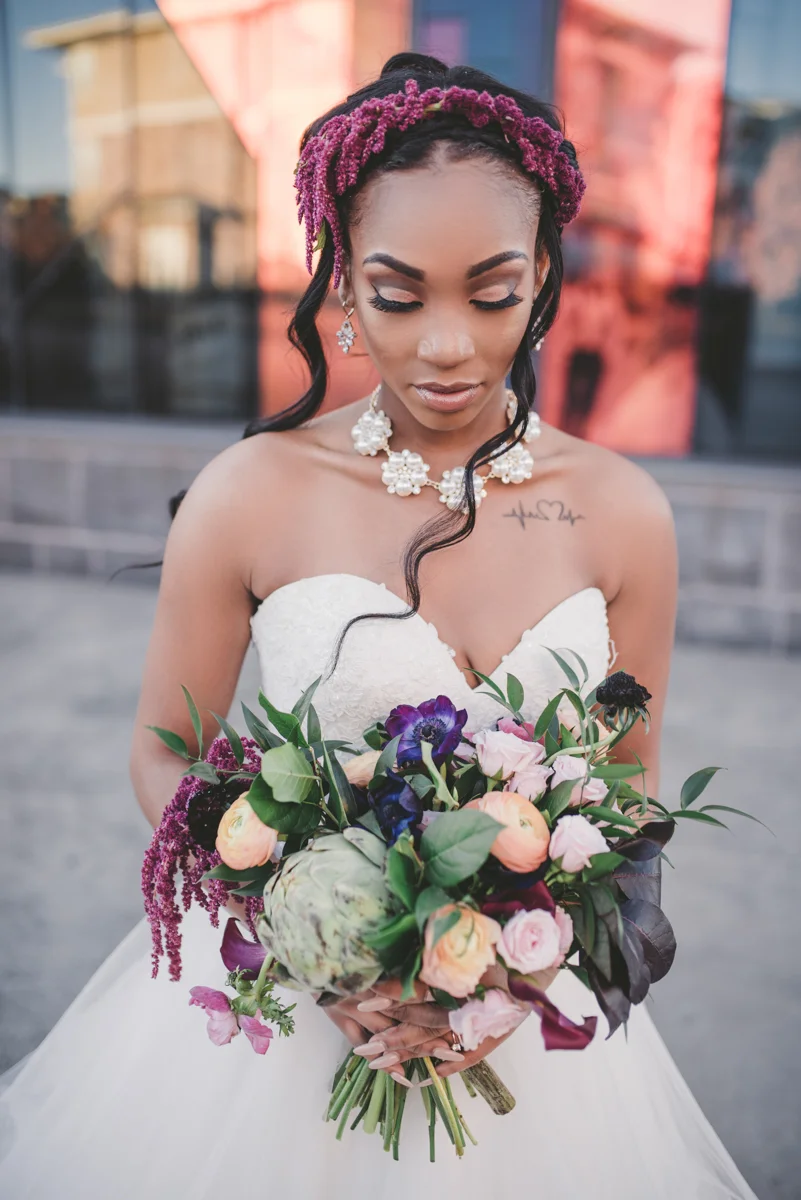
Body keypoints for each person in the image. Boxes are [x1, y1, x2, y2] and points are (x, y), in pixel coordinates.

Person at [0, 53, 758, 1199]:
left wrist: (515, 979)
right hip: (285, 1028)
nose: (446, 344)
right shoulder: (247, 492)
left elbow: (628, 799)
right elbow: (165, 748)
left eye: (493, 292)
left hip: (525, 1041)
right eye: (399, 296)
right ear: (341, 287)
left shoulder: (623, 513)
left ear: (545, 276)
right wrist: (310, 937)